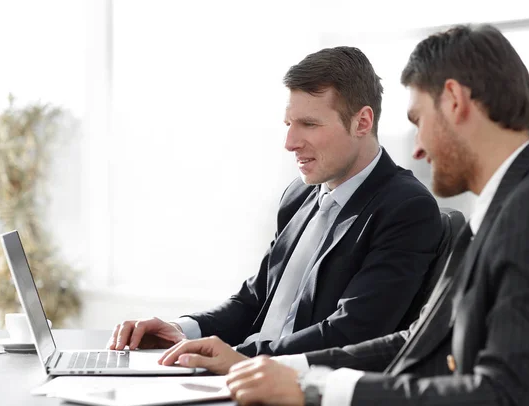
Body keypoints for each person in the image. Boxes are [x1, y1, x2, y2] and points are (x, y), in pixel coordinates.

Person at [159, 24, 529, 405]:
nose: (417, 148)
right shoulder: (510, 205)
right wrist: (294, 375)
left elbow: (513, 394)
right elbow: (419, 340)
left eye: (418, 120)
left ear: (454, 101)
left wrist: (316, 389)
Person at [108, 46, 443, 357]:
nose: (290, 142)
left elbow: (354, 331)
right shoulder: (298, 196)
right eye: (288, 124)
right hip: (242, 377)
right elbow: (255, 299)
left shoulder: (406, 207)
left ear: (362, 122)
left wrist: (238, 359)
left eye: (308, 124)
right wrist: (182, 329)